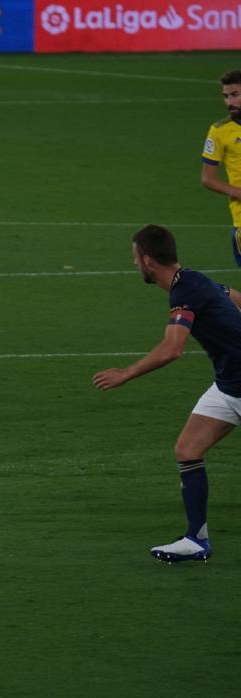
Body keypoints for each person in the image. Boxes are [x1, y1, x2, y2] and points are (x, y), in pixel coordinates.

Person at [93, 225, 241, 563]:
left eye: (135, 258)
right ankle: (197, 539)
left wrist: (126, 373)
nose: (134, 265)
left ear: (147, 260)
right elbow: (233, 296)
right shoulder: (193, 280)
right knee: (187, 449)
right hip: (229, 385)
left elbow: (173, 349)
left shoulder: (184, 292)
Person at [200, 69, 241, 266]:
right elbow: (207, 178)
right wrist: (237, 192)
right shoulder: (219, 131)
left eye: (235, 95)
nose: (229, 102)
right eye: (226, 96)